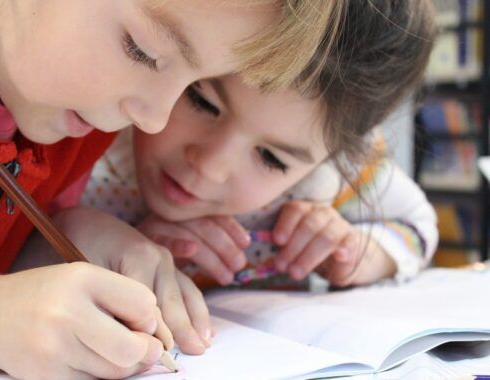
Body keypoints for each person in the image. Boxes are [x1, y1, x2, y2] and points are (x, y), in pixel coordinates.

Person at [0, 0, 344, 378]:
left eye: (194, 83)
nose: (154, 118)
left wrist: (68, 238)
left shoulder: (78, 121)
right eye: (144, 51)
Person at [78, 0, 438, 289]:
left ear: (334, 157)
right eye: (201, 102)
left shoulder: (327, 180)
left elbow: (418, 225)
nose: (209, 166)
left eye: (271, 158)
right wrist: (102, 243)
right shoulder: (91, 132)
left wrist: (362, 254)